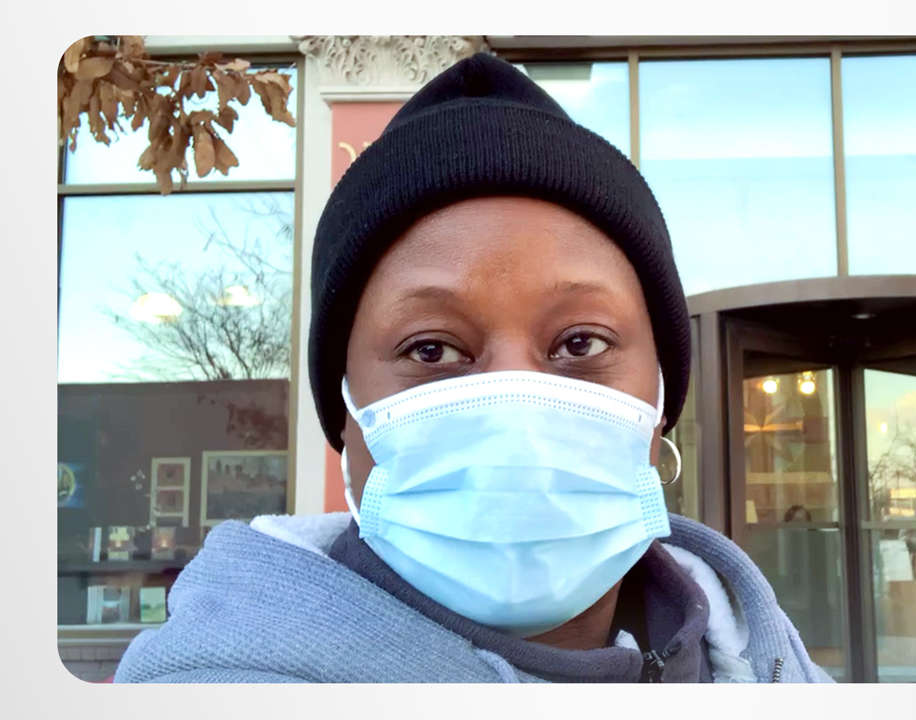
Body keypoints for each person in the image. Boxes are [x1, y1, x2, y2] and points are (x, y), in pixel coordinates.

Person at [114, 53, 833, 684]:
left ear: (663, 400)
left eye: (580, 343)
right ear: (344, 412)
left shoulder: (776, 673)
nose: (516, 408)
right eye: (431, 350)